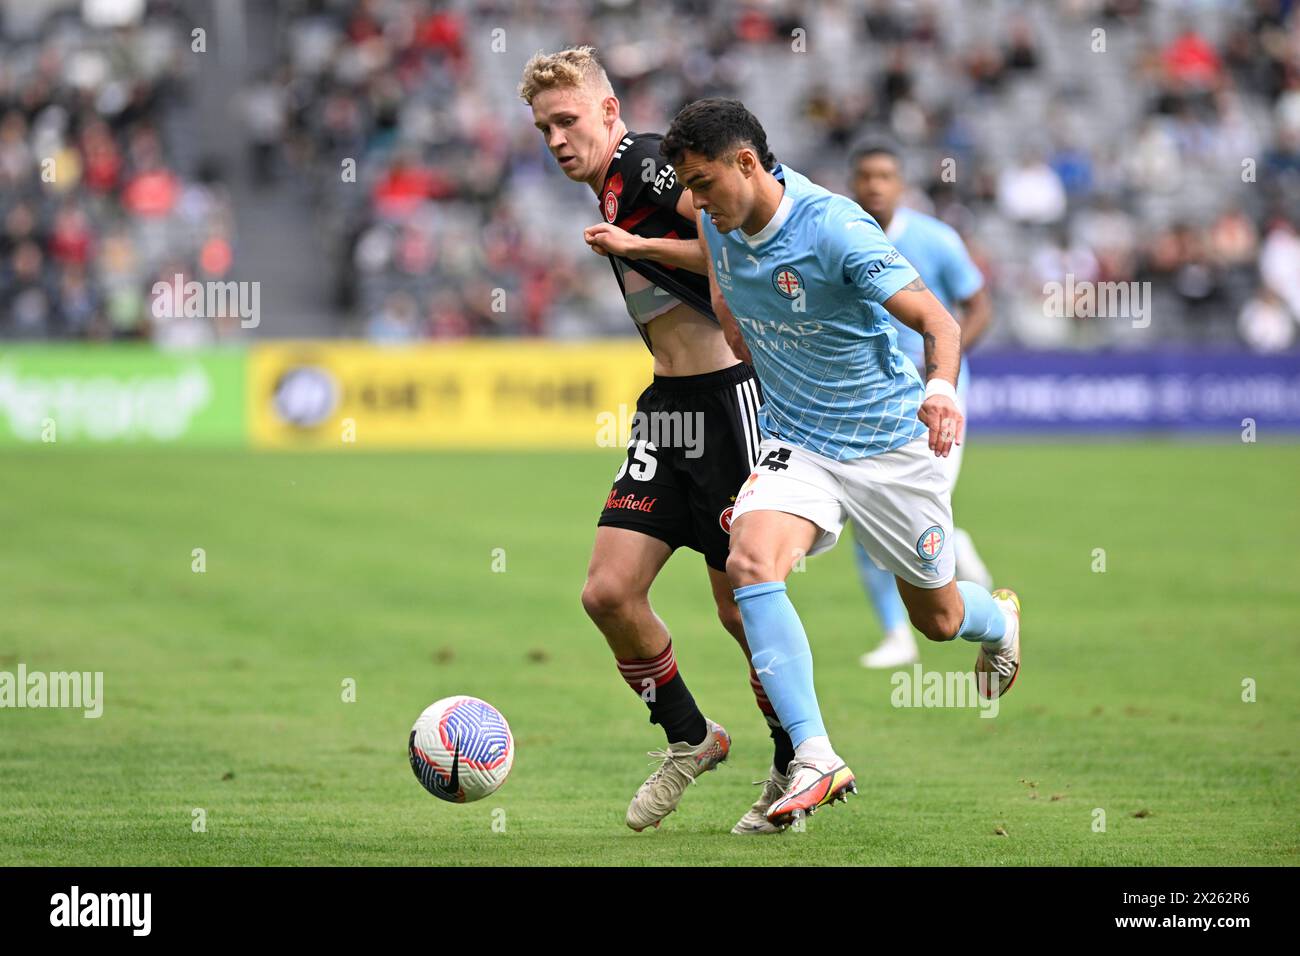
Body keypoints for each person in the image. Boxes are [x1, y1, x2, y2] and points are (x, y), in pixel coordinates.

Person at [664, 98, 1022, 828]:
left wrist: (943, 388)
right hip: (800, 443)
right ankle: (815, 754)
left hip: (890, 445)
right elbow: (728, 304)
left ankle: (1001, 621)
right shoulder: (716, 218)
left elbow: (939, 320)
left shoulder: (834, 228)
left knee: (942, 619)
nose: (691, 201)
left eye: (701, 183)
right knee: (750, 563)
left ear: (747, 164)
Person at [518, 48, 795, 834]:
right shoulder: (612, 182)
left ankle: (794, 757)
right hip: (667, 404)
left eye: (568, 120)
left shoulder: (643, 166)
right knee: (607, 592)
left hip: (728, 401)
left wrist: (637, 247)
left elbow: (732, 242)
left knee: (742, 608)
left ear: (609, 112)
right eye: (544, 129)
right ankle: (690, 736)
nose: (556, 139)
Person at [847, 139, 995, 669]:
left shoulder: (935, 239)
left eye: (885, 176)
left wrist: (943, 371)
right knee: (868, 519)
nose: (874, 186)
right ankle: (896, 634)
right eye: (865, 176)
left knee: (915, 511)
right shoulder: (839, 240)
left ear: (901, 184)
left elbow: (977, 307)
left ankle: (964, 576)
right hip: (874, 402)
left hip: (936, 403)